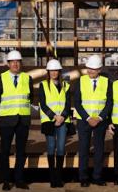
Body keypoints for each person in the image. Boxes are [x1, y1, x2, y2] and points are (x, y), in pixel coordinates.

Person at [71, 54, 113, 187]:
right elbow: (77, 102)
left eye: (93, 69)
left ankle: (97, 177)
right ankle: (83, 177)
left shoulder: (106, 82)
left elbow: (109, 102)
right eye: (89, 68)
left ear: (99, 69)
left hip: (100, 121)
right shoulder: (80, 81)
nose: (90, 71)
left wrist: (100, 118)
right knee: (83, 149)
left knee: (99, 150)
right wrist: (88, 118)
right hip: (84, 121)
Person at [0, 50, 34, 190]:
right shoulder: (1, 78)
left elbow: (30, 98)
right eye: (12, 62)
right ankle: (6, 180)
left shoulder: (27, 78)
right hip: (6, 120)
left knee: (21, 152)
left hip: (23, 120)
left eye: (17, 61)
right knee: (5, 151)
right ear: (8, 64)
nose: (15, 64)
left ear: (21, 63)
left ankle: (19, 179)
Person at [36, 58, 73, 189]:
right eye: (51, 70)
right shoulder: (43, 85)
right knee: (51, 148)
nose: (54, 72)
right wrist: (54, 117)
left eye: (56, 70)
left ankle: (59, 177)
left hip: (62, 121)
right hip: (49, 121)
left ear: (59, 71)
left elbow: (68, 104)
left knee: (61, 148)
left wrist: (62, 117)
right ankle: (52, 178)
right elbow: (43, 103)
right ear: (48, 72)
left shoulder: (66, 85)